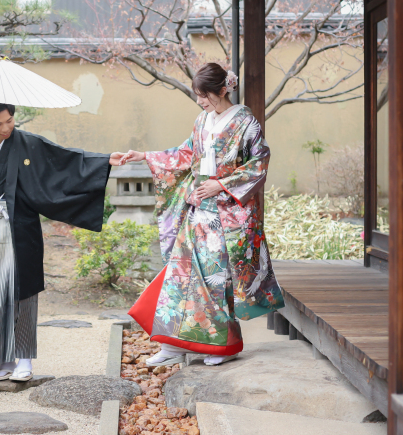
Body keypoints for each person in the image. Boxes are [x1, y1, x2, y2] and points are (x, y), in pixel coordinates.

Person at [120, 63, 284, 367]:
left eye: (204, 94)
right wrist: (145, 155)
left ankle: (224, 345)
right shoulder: (202, 120)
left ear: (223, 89)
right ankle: (172, 344)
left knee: (214, 280)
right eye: (197, 95)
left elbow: (259, 163)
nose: (200, 101)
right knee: (179, 274)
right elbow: (187, 154)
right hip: (198, 208)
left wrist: (220, 184)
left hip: (227, 212)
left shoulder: (246, 122)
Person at [0, 101, 123, 381]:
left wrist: (103, 161)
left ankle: (25, 360)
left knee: (23, 294)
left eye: (9, 121)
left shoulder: (29, 143)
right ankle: (3, 361)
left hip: (20, 229)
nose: (5, 128)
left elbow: (64, 160)